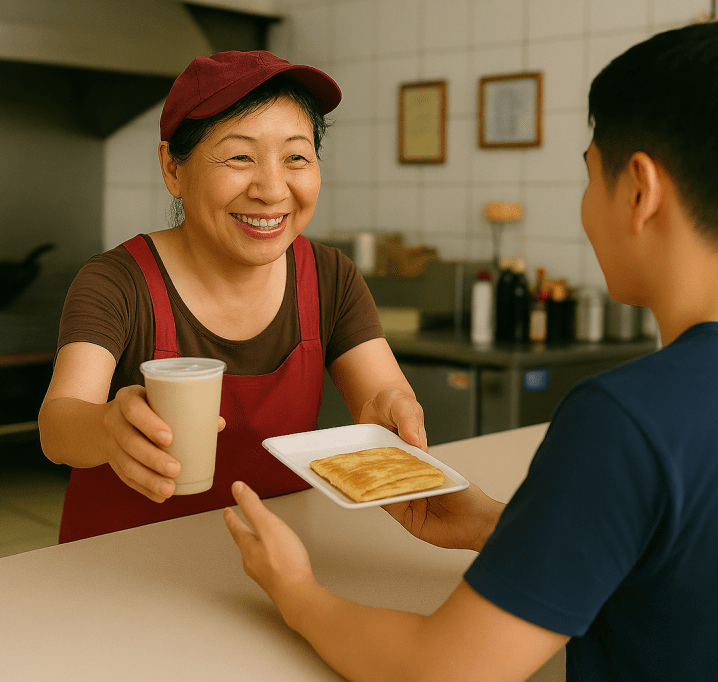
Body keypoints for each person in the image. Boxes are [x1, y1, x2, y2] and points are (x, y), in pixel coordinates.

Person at [223, 20, 718, 681]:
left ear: (639, 190)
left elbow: (439, 668)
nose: (587, 207)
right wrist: (504, 527)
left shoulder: (627, 418)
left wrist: (295, 591)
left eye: (591, 174)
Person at [39, 50, 427, 544]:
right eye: (240, 156)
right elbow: (59, 424)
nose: (272, 189)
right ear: (173, 169)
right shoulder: (117, 282)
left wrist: (394, 411)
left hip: (270, 561)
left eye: (296, 158)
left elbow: (379, 395)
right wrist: (108, 427)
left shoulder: (330, 276)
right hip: (122, 565)